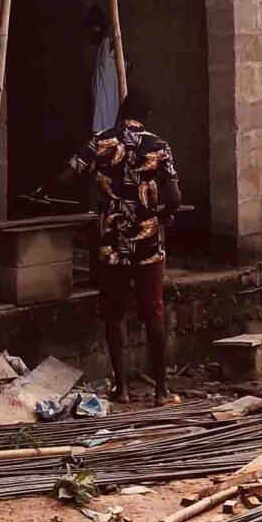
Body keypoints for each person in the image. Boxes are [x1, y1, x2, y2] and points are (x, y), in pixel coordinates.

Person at [64, 90, 183, 402]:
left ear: (121, 111)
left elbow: (69, 174)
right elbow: (174, 197)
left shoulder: (100, 142)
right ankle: (161, 390)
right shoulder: (160, 147)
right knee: (153, 312)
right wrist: (162, 218)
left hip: (111, 243)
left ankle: (122, 389)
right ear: (148, 115)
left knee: (114, 314)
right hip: (148, 243)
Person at [83, 6, 120, 136]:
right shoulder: (101, 50)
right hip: (101, 120)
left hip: (108, 120)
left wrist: (108, 29)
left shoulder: (107, 46)